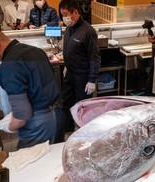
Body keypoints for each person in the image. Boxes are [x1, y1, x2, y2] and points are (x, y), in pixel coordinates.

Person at [0, 27, 65, 149]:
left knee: (30, 163)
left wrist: (8, 127)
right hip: (58, 115)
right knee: (53, 159)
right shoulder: (36, 51)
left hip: (38, 124)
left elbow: (22, 115)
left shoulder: (8, 68)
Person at [59, 0, 101, 132]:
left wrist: (92, 80)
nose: (64, 18)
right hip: (70, 73)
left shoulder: (88, 31)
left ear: (75, 13)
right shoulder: (70, 27)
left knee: (82, 107)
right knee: (67, 103)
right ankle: (67, 130)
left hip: (82, 76)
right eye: (62, 15)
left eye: (66, 14)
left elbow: (94, 57)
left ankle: (83, 132)